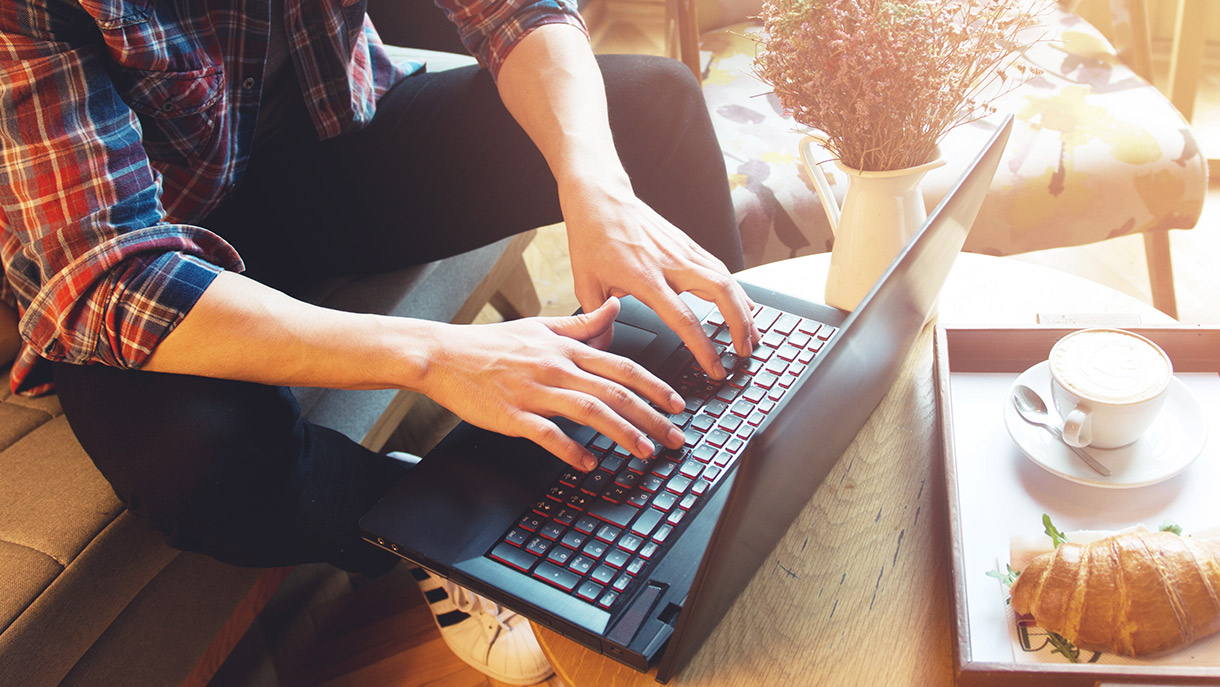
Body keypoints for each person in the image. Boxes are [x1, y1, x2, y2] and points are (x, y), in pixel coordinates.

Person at [0, 0, 757, 682]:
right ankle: (434, 528)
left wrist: (596, 184)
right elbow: (109, 274)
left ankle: (742, 405)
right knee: (196, 468)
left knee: (659, 107)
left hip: (318, 136)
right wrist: (436, 355)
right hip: (146, 238)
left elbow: (514, 10)